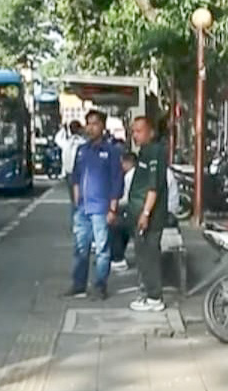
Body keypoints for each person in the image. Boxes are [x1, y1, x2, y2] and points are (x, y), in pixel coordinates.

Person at [66, 110, 122, 300]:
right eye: (88, 123)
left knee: (102, 249)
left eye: (95, 123)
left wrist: (112, 208)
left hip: (101, 208)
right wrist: (76, 203)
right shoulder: (82, 150)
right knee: (80, 248)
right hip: (83, 208)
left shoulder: (112, 151)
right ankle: (78, 285)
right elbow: (75, 178)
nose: (91, 127)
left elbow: (116, 181)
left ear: (103, 126)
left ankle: (100, 286)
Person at [129, 116, 169, 312]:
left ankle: (154, 297)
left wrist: (145, 213)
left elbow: (153, 187)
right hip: (140, 214)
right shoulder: (145, 152)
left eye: (139, 131)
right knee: (142, 254)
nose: (135, 135)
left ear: (150, 132)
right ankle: (148, 292)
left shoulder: (155, 152)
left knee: (148, 255)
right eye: (133, 131)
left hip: (150, 217)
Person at [110, 151, 136, 272]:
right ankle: (116, 255)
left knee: (116, 224)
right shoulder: (134, 174)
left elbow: (128, 200)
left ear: (127, 163)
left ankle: (117, 258)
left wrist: (112, 205)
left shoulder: (131, 175)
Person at [55, 120, 86, 206]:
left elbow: (57, 139)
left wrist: (63, 129)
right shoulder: (84, 143)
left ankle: (75, 214)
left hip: (69, 174)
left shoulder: (66, 143)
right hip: (82, 174)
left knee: (73, 200)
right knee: (82, 198)